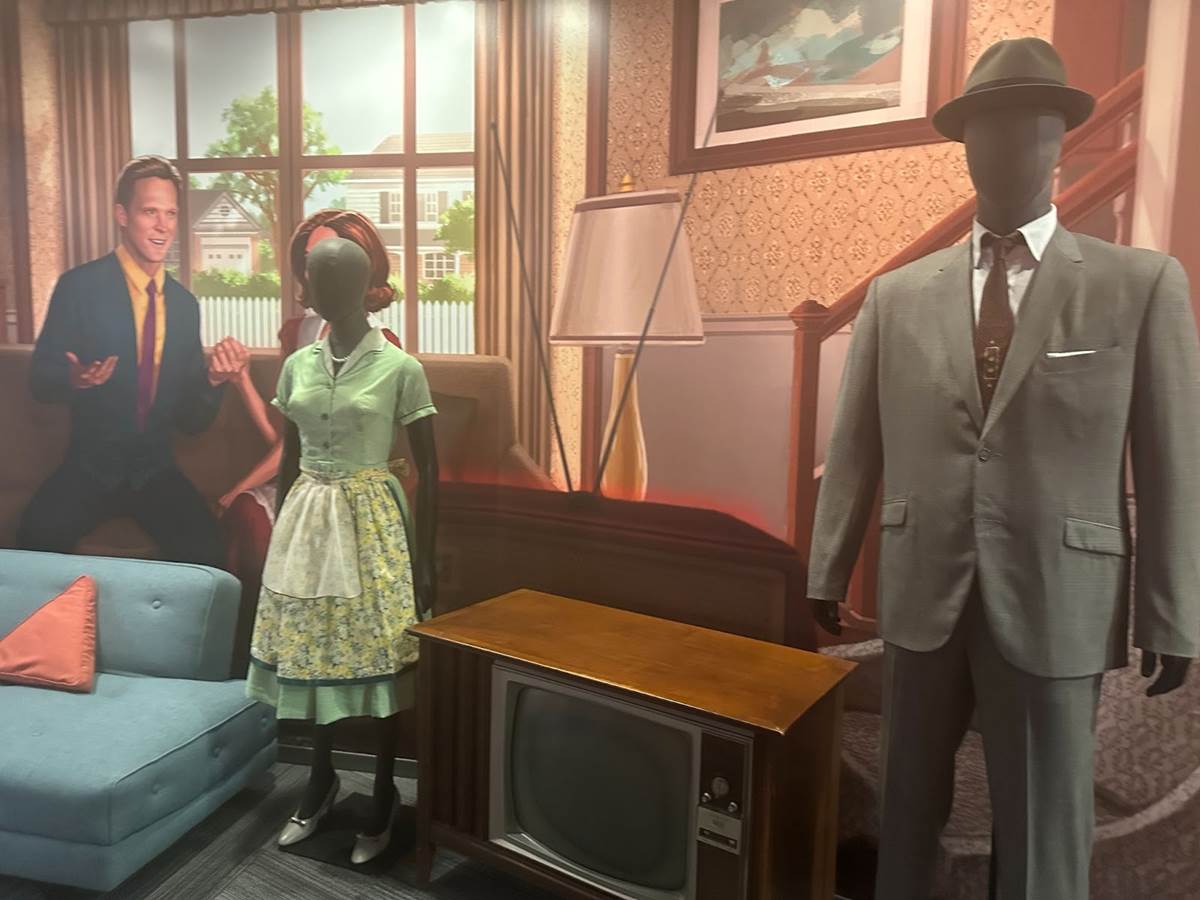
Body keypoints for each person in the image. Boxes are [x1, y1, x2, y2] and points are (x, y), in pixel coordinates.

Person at [807, 39, 1199, 899]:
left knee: (1044, 823)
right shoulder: (897, 297)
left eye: (1030, 125)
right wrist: (828, 564)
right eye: (987, 126)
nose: (1008, 144)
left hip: (1060, 592)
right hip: (923, 588)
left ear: (1060, 140)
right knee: (906, 810)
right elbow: (857, 442)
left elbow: (1174, 462)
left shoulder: (1140, 286)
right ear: (965, 144)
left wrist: (1170, 612)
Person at [246, 236, 440, 865]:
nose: (310, 291)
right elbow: (290, 457)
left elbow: (431, 468)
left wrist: (426, 559)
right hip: (306, 519)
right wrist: (279, 535)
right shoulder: (297, 365)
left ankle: (383, 789)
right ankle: (321, 778)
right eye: (309, 278)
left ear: (358, 288)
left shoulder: (400, 368)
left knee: (379, 653)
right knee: (315, 649)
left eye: (324, 279)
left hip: (371, 523)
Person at [18, 155, 248, 568]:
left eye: (171, 214)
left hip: (154, 471)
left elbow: (190, 422)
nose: (163, 226)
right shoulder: (79, 287)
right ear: (122, 215)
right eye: (150, 212)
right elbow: (40, 381)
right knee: (33, 540)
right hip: (89, 468)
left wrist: (214, 380)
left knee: (209, 553)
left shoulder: (184, 306)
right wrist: (76, 378)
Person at [219, 211, 404, 607]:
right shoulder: (299, 332)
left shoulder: (378, 343)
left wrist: (235, 489)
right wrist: (241, 379)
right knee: (247, 515)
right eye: (308, 258)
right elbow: (283, 433)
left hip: (346, 486)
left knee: (245, 511)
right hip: (299, 474)